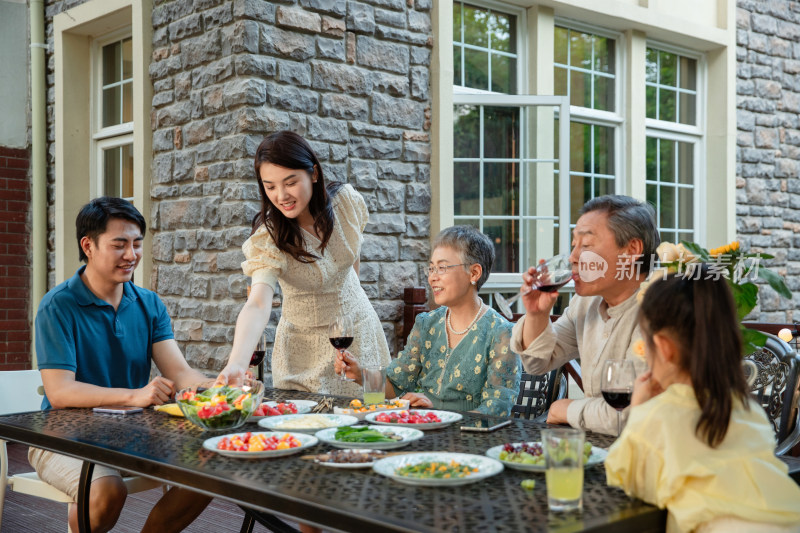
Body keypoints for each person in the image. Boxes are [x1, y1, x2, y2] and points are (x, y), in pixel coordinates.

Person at [31, 197, 212, 533]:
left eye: (137, 243)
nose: (131, 255)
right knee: (105, 490)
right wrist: (135, 396)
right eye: (119, 245)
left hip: (134, 435)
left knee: (211, 465)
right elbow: (59, 392)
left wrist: (221, 387)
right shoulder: (58, 306)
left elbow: (181, 373)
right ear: (88, 246)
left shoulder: (148, 303)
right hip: (61, 438)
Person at [605, 266, 800, 532]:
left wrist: (638, 407)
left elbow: (619, 476)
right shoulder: (746, 408)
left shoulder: (657, 416)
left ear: (663, 347)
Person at [217, 131, 390, 395]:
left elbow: (351, 258)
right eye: (270, 186)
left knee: (372, 419)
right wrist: (236, 364)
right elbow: (259, 303)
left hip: (359, 333)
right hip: (301, 350)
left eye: (290, 182)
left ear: (314, 173)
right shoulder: (269, 236)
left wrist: (350, 304)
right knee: (301, 427)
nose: (281, 195)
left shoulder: (346, 202)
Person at [336, 225, 522, 416]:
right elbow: (396, 383)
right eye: (431, 268)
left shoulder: (501, 333)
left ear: (474, 273)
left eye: (442, 268)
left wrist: (437, 413)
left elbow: (496, 410)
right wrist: (360, 375)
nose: (433, 277)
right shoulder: (426, 324)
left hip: (470, 439)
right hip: (422, 428)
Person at [510, 195, 658, 435]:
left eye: (586, 246)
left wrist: (565, 409)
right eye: (574, 245)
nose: (572, 258)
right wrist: (537, 315)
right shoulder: (585, 302)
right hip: (598, 447)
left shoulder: (660, 309)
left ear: (632, 250)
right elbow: (536, 364)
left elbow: (630, 413)